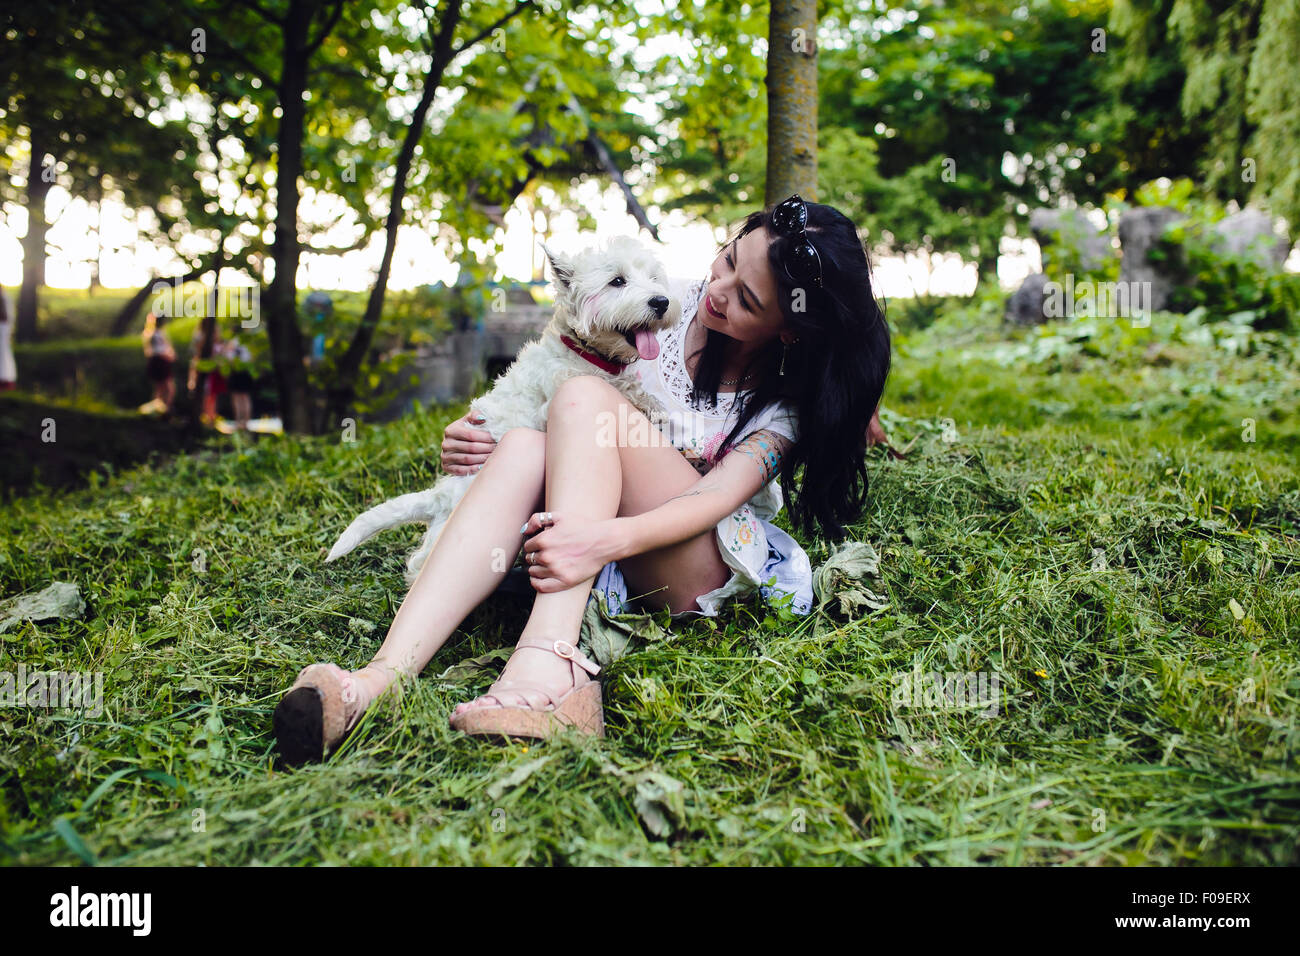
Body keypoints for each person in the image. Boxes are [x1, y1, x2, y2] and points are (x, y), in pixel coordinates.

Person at [272, 194, 891, 765]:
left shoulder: (785, 403)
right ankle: (379, 679)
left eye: (747, 299)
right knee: (521, 444)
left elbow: (714, 497)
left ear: (789, 329)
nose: (717, 291)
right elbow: (545, 367)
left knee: (585, 399)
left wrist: (602, 542)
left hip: (695, 559)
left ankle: (550, 666)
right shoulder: (658, 299)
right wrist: (476, 432)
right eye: (726, 260)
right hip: (597, 534)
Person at [188, 316, 225, 426]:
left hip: (212, 369)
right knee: (206, 394)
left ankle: (211, 416)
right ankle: (206, 416)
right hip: (203, 369)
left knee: (212, 394)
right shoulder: (200, 337)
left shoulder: (213, 337)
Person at [141, 312, 176, 412]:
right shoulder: (155, 335)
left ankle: (159, 410)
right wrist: (169, 356)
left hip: (159, 363)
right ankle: (164, 410)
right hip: (160, 363)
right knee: (167, 389)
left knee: (159, 389)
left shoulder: (154, 333)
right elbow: (158, 351)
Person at [222, 329, 254, 430]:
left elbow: (227, 357)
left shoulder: (234, 342)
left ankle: (240, 422)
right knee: (244, 397)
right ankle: (244, 422)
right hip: (244, 371)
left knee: (239, 398)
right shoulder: (248, 342)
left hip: (237, 371)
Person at [0, 286, 16, 391]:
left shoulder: (5, 299)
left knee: (4, 354)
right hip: (4, 329)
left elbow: (9, 317)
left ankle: (5, 379)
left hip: (3, 329)